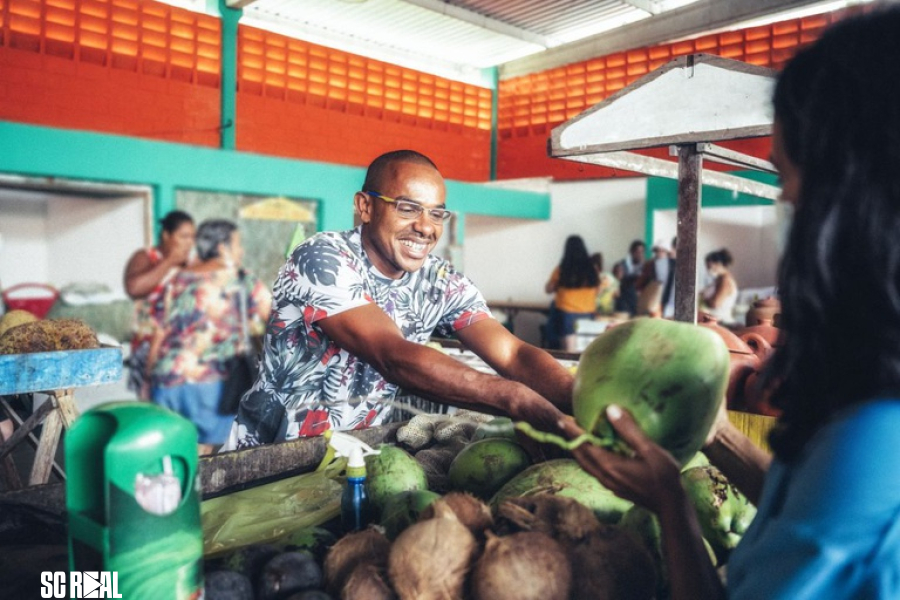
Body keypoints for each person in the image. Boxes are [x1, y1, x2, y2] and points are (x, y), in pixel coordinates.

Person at [560, 7, 900, 599]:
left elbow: (845, 488)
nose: (787, 199)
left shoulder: (874, 436)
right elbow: (807, 505)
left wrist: (670, 501)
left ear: (858, 191)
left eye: (792, 178)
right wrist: (717, 433)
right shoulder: (868, 400)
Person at [223, 150, 573, 449]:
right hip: (271, 460)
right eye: (408, 208)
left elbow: (512, 353)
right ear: (365, 207)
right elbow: (391, 354)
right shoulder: (322, 258)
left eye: (436, 213)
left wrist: (581, 398)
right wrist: (515, 398)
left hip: (360, 458)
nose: (426, 227)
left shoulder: (439, 280)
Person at [150, 219, 271, 454]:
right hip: (209, 384)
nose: (241, 251)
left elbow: (159, 332)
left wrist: (149, 379)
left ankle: (171, 489)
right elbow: (276, 320)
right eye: (237, 245)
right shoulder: (241, 279)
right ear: (223, 248)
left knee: (171, 451)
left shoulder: (175, 280)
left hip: (167, 379)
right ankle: (194, 491)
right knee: (201, 453)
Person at [123, 210, 196, 400]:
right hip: (148, 346)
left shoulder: (191, 266)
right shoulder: (146, 257)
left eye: (192, 237)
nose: (189, 242)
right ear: (166, 235)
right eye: (184, 236)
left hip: (180, 349)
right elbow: (134, 288)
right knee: (151, 405)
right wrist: (170, 261)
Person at [543, 235, 599, 350]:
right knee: (585, 349)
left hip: (567, 313)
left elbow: (548, 289)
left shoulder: (562, 269)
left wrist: (558, 284)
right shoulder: (592, 269)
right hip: (588, 313)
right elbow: (598, 290)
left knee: (569, 350)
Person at [635, 238, 675, 318]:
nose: (660, 253)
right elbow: (642, 281)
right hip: (654, 298)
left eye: (662, 250)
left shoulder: (673, 264)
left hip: (670, 298)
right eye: (657, 250)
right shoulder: (650, 264)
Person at [700, 248, 738, 324]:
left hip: (721, 321)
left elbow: (715, 303)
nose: (708, 270)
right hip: (713, 319)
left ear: (718, 264)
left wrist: (702, 300)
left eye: (709, 267)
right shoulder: (717, 280)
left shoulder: (725, 280)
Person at [612, 239, 645, 316]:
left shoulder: (644, 266)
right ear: (632, 252)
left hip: (637, 303)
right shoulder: (621, 265)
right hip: (623, 301)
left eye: (642, 252)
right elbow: (615, 284)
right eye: (637, 252)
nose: (640, 254)